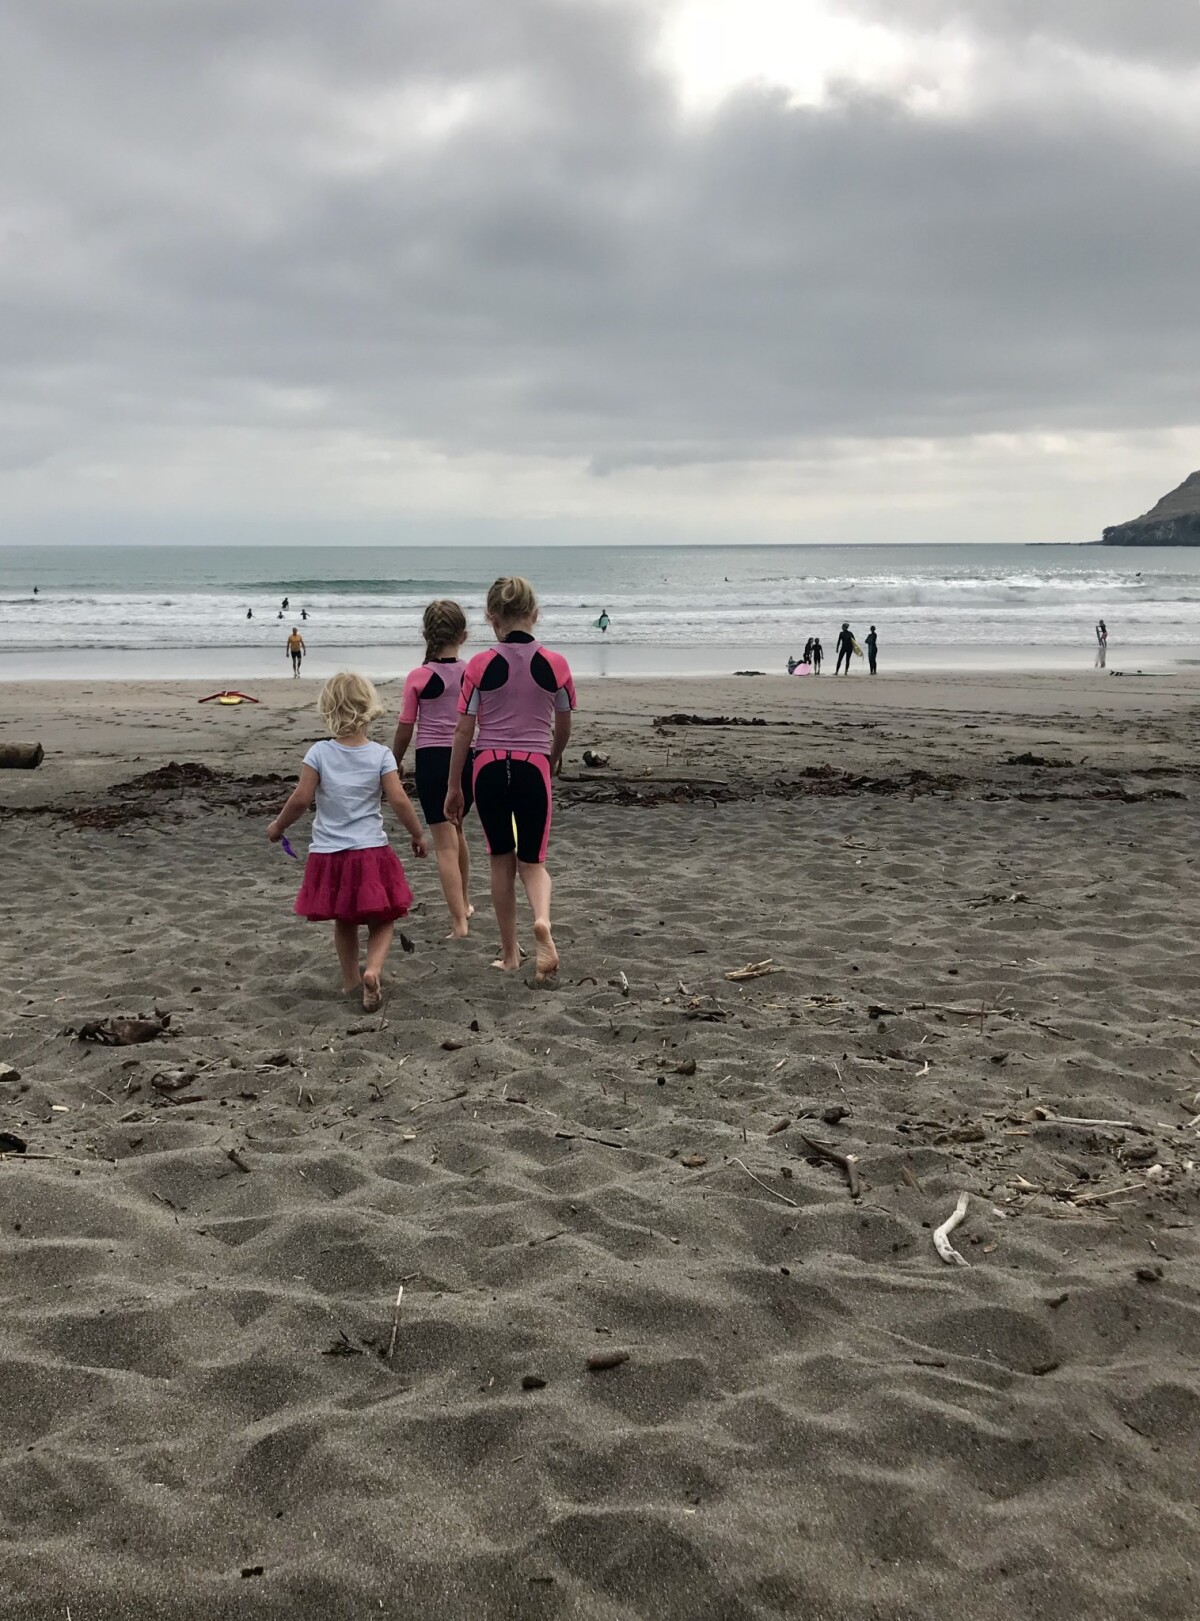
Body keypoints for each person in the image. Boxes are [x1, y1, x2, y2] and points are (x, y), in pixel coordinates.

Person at [267, 672, 427, 1011]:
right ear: (369, 708)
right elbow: (399, 799)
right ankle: (373, 970)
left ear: (328, 710)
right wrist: (416, 833)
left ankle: (351, 980)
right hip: (370, 851)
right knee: (384, 918)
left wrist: (278, 826)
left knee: (345, 919)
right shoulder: (381, 755)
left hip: (330, 854)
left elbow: (300, 799)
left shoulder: (319, 753)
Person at [445, 576, 575, 981]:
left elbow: (463, 731)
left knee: (501, 861)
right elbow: (564, 724)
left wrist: (454, 786)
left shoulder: (479, 665)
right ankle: (542, 921)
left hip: (487, 767)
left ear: (491, 617)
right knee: (533, 863)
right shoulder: (556, 664)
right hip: (532, 765)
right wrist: (552, 757)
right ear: (534, 613)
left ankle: (509, 955)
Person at [393, 600, 475, 939]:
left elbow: (405, 727)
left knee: (444, 844)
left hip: (432, 761)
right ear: (463, 635)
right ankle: (465, 904)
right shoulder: (473, 672)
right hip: (467, 759)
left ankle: (458, 922)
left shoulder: (420, 676)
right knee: (458, 832)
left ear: (427, 635)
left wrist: (394, 760)